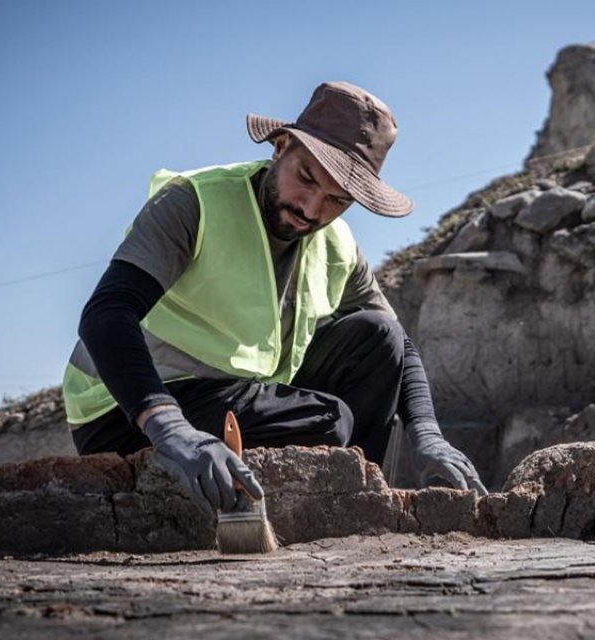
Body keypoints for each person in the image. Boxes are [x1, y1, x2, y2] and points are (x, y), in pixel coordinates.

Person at [61, 81, 487, 514]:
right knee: (328, 421)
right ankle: (324, 504)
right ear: (281, 146)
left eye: (337, 200)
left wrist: (427, 433)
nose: (312, 209)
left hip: (236, 398)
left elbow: (399, 345)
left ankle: (358, 510)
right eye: (306, 178)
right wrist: (169, 428)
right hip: (127, 412)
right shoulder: (194, 202)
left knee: (379, 336)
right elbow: (106, 314)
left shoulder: (336, 243)